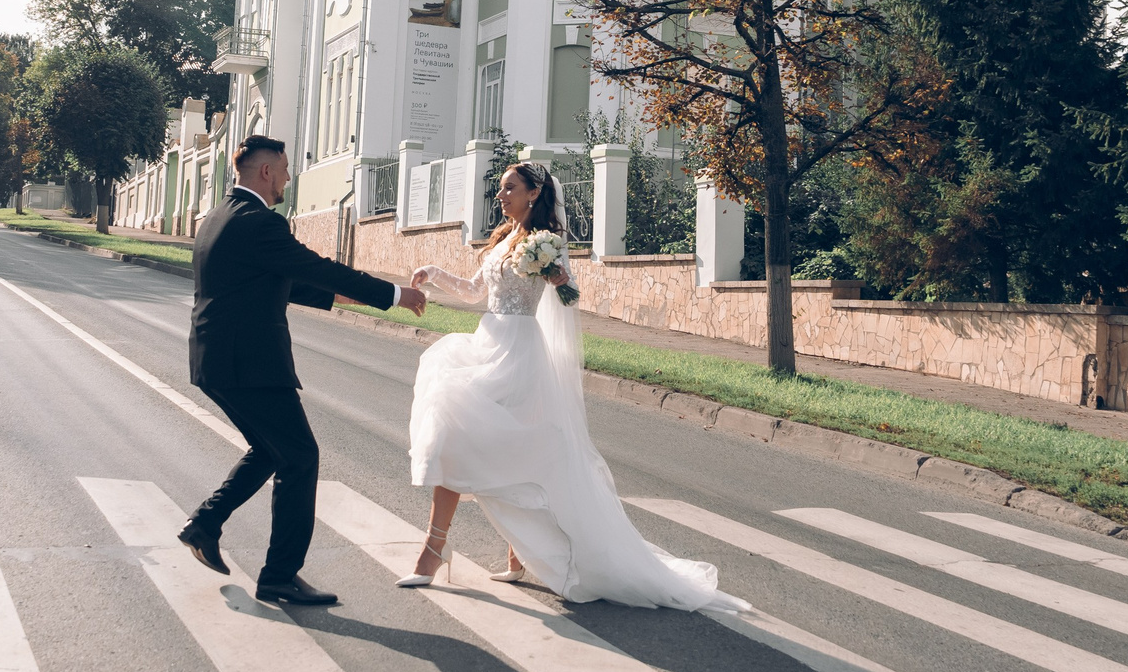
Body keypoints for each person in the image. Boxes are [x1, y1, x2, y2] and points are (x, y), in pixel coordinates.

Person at [399, 160, 745, 613]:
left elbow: (570, 297)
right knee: (455, 438)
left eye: (509, 188)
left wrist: (559, 279)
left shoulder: (549, 243)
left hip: (520, 355)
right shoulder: (502, 238)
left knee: (506, 450)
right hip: (487, 344)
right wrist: (433, 272)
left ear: (533, 193)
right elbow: (472, 292)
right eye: (500, 189)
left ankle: (456, 551)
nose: (500, 196)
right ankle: (476, 551)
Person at [181, 135, 428, 606]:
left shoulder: (220, 216)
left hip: (219, 358)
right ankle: (278, 576)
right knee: (301, 458)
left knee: (273, 451)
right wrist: (394, 295)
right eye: (286, 169)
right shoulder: (259, 222)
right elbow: (313, 266)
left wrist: (340, 297)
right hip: (248, 363)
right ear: (266, 172)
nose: (290, 179)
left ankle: (205, 524)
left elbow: (274, 280)